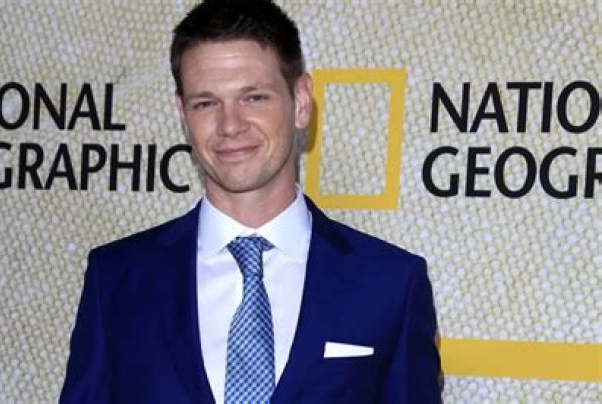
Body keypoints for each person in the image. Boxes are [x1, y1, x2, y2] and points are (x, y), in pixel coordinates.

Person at [60, 1, 441, 402]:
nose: (230, 125)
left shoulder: (390, 284)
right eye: (206, 103)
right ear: (182, 114)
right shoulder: (117, 279)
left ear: (301, 102)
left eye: (254, 98)